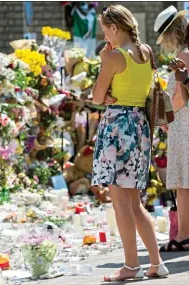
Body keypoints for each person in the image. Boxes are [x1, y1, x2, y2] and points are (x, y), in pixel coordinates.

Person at [91, 5, 169, 281]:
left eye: (104, 28)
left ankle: (131, 266)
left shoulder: (113, 56)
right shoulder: (146, 52)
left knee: (120, 203)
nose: (104, 34)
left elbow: (97, 96)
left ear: (114, 27)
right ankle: (156, 263)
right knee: (134, 203)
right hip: (139, 126)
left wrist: (104, 63)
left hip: (117, 127)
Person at [154, 6, 189, 252]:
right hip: (182, 122)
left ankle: (185, 234)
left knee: (184, 183)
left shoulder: (184, 55)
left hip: (183, 123)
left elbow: (179, 97)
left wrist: (164, 118)